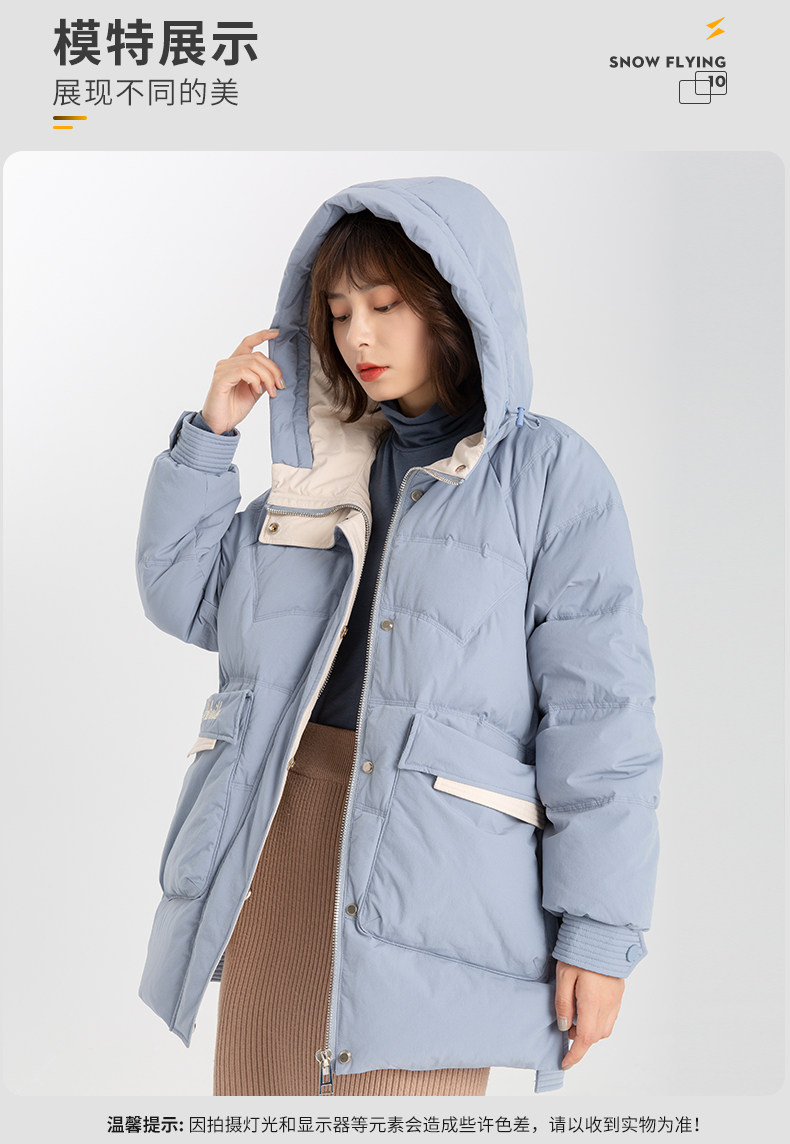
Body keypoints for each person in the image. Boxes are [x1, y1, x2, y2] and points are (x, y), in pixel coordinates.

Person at [136, 176, 662, 1098]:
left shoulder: (549, 475)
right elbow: (189, 598)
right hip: (281, 837)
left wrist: (600, 932)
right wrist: (209, 439)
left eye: (384, 306)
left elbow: (600, 717)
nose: (358, 337)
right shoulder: (325, 472)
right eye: (339, 313)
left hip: (434, 875)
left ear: (455, 308)